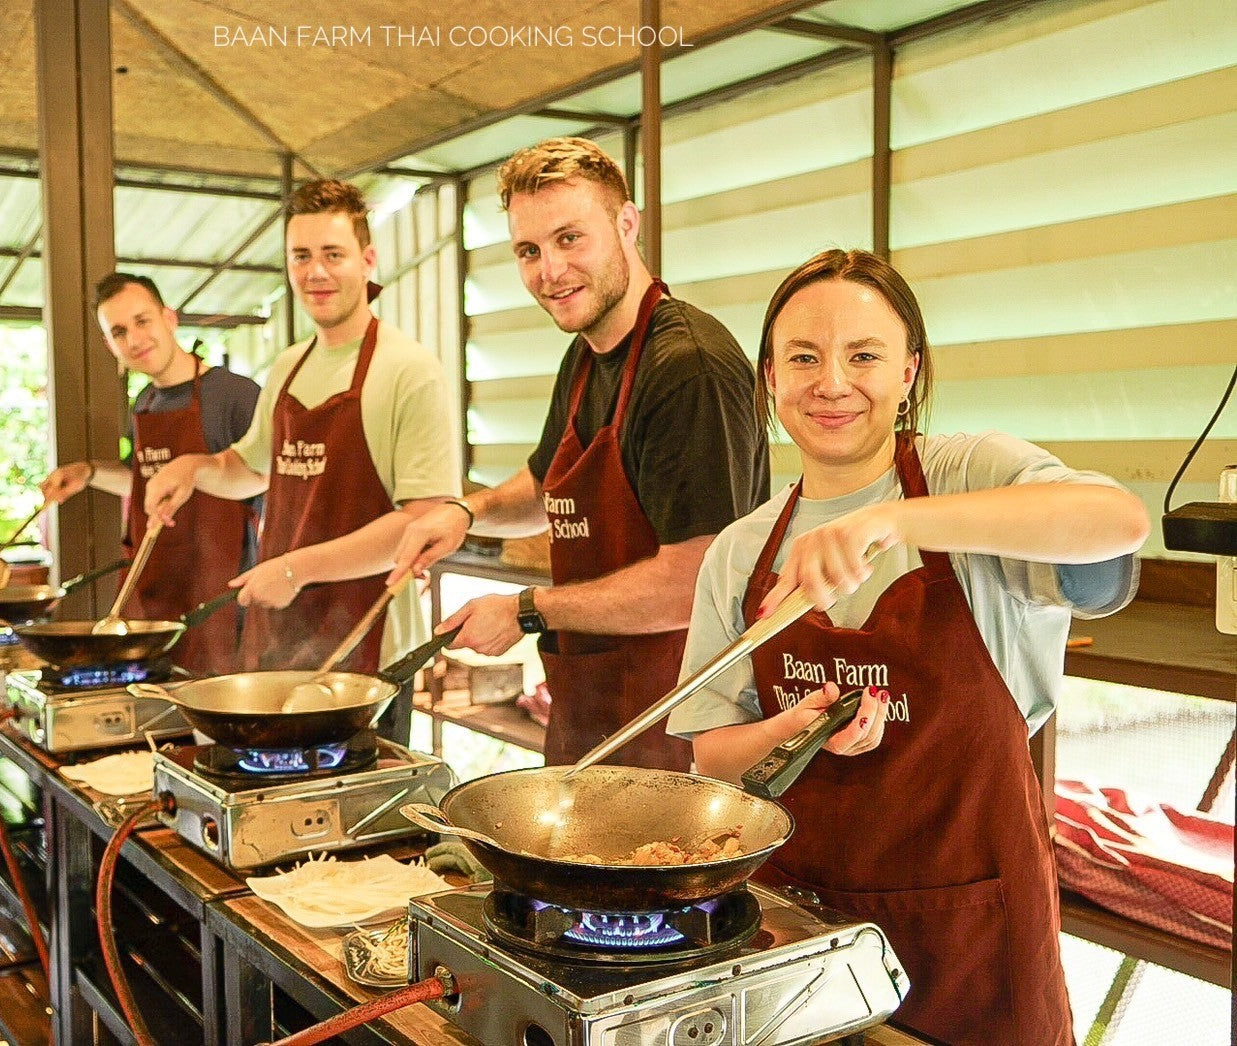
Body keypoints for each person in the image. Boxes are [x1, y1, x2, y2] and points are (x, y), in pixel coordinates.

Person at [666, 249, 1150, 1046]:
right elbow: (712, 758)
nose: (831, 382)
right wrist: (801, 728)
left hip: (971, 936)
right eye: (803, 358)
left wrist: (895, 521)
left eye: (863, 355)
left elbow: (1115, 520)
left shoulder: (966, 475)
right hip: (800, 937)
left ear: (907, 372)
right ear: (768, 379)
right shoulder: (741, 550)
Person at [390, 136, 768, 771]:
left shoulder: (686, 368)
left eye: (571, 239)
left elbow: (692, 585)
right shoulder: (586, 356)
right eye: (529, 251)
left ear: (626, 223)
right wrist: (465, 513)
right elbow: (545, 490)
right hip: (591, 718)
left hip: (678, 727)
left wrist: (528, 610)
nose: (550, 271)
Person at [145, 180, 461, 744]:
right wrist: (192, 470)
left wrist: (296, 569)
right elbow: (251, 469)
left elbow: (423, 522)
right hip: (281, 637)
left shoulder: (409, 370)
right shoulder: (289, 365)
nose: (316, 272)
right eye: (301, 256)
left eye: (333, 254)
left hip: (371, 649)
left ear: (367, 260)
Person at [39, 273, 259, 675]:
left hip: (223, 607)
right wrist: (88, 474)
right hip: (159, 603)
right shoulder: (144, 403)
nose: (134, 340)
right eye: (119, 332)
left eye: (143, 322)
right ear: (110, 345)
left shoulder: (235, 396)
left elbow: (269, 494)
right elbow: (145, 483)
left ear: (169, 318)